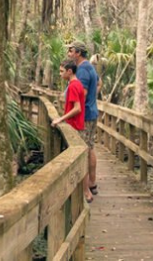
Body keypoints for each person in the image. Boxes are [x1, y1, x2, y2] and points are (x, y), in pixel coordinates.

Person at [51, 59, 92, 202]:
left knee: (79, 161)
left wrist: (60, 119)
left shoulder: (74, 86)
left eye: (62, 71)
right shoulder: (76, 84)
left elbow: (77, 108)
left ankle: (85, 192)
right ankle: (85, 192)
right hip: (76, 126)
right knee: (81, 160)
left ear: (69, 71)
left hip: (75, 127)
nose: (60, 73)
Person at [68, 41, 100, 196]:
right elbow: (99, 83)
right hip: (92, 111)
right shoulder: (91, 68)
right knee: (90, 147)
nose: (69, 53)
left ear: (78, 53)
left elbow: (83, 92)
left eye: (71, 50)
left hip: (85, 115)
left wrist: (72, 103)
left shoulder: (82, 70)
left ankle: (86, 188)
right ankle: (92, 183)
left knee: (83, 150)